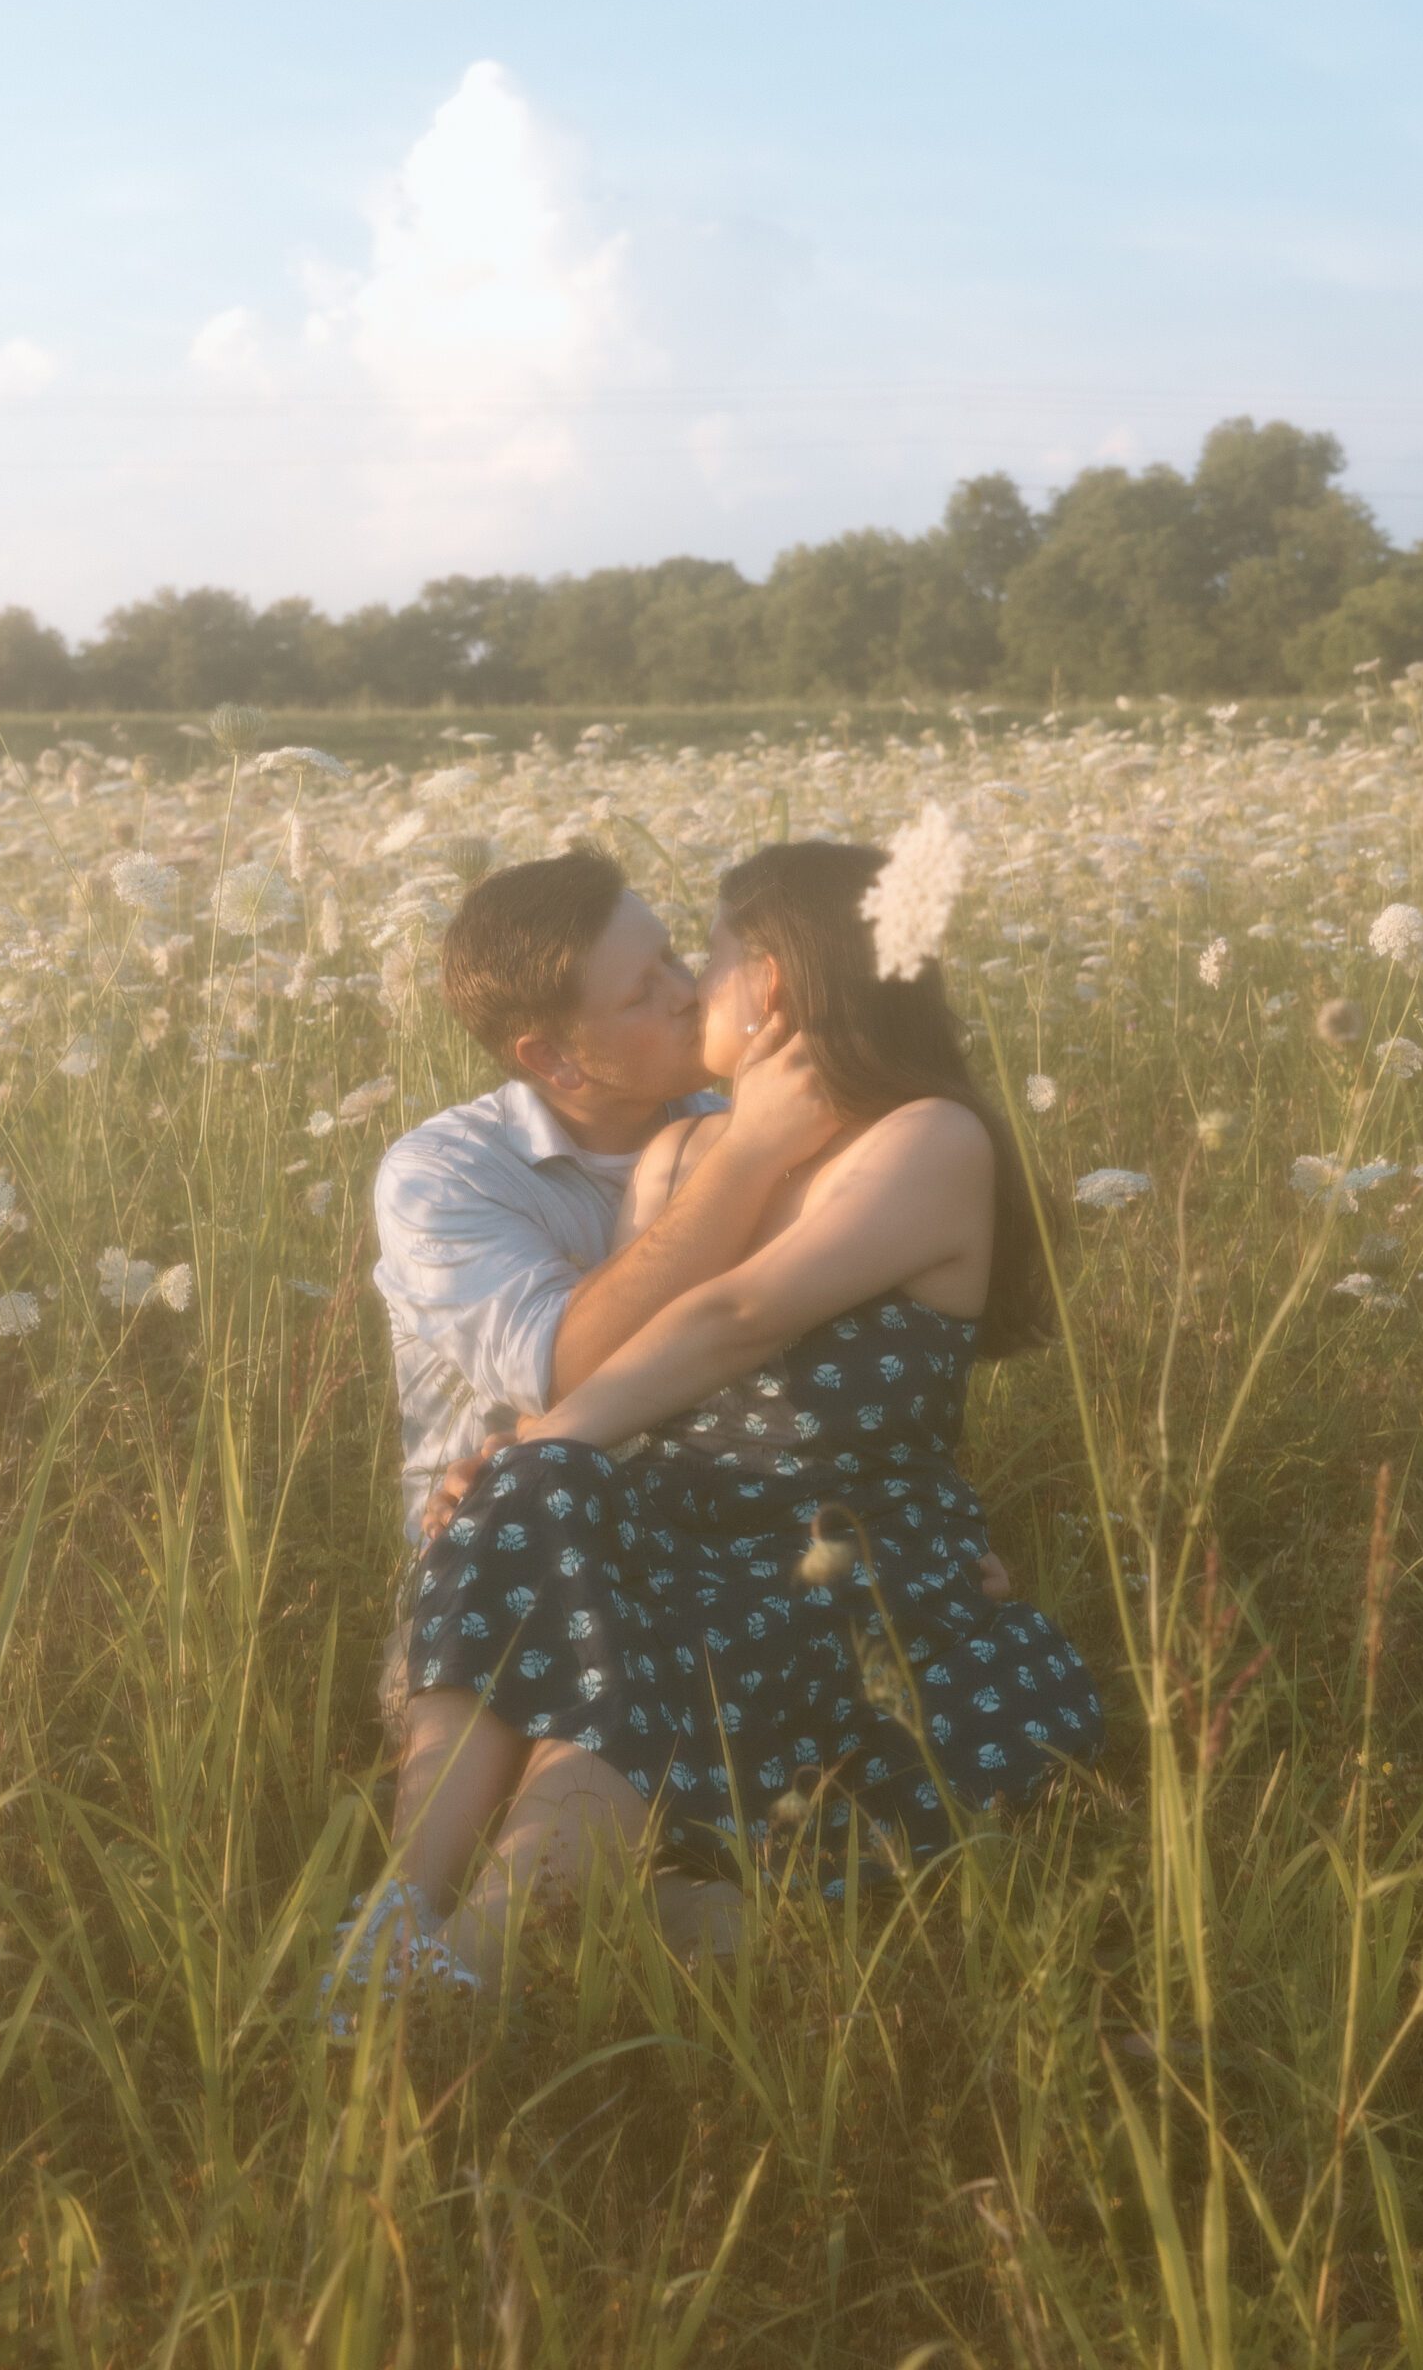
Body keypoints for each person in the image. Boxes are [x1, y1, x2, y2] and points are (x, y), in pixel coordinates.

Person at [378, 839, 1104, 2005]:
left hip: (832, 1545)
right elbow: (621, 1375)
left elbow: (737, 1314)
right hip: (680, 1528)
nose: (684, 987)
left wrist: (543, 1439)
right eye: (653, 972)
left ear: (772, 980)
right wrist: (521, 1463)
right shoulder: (672, 1150)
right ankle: (394, 1919)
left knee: (634, 1666)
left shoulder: (925, 1139)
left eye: (696, 956)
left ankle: (463, 1978)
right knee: (555, 1540)